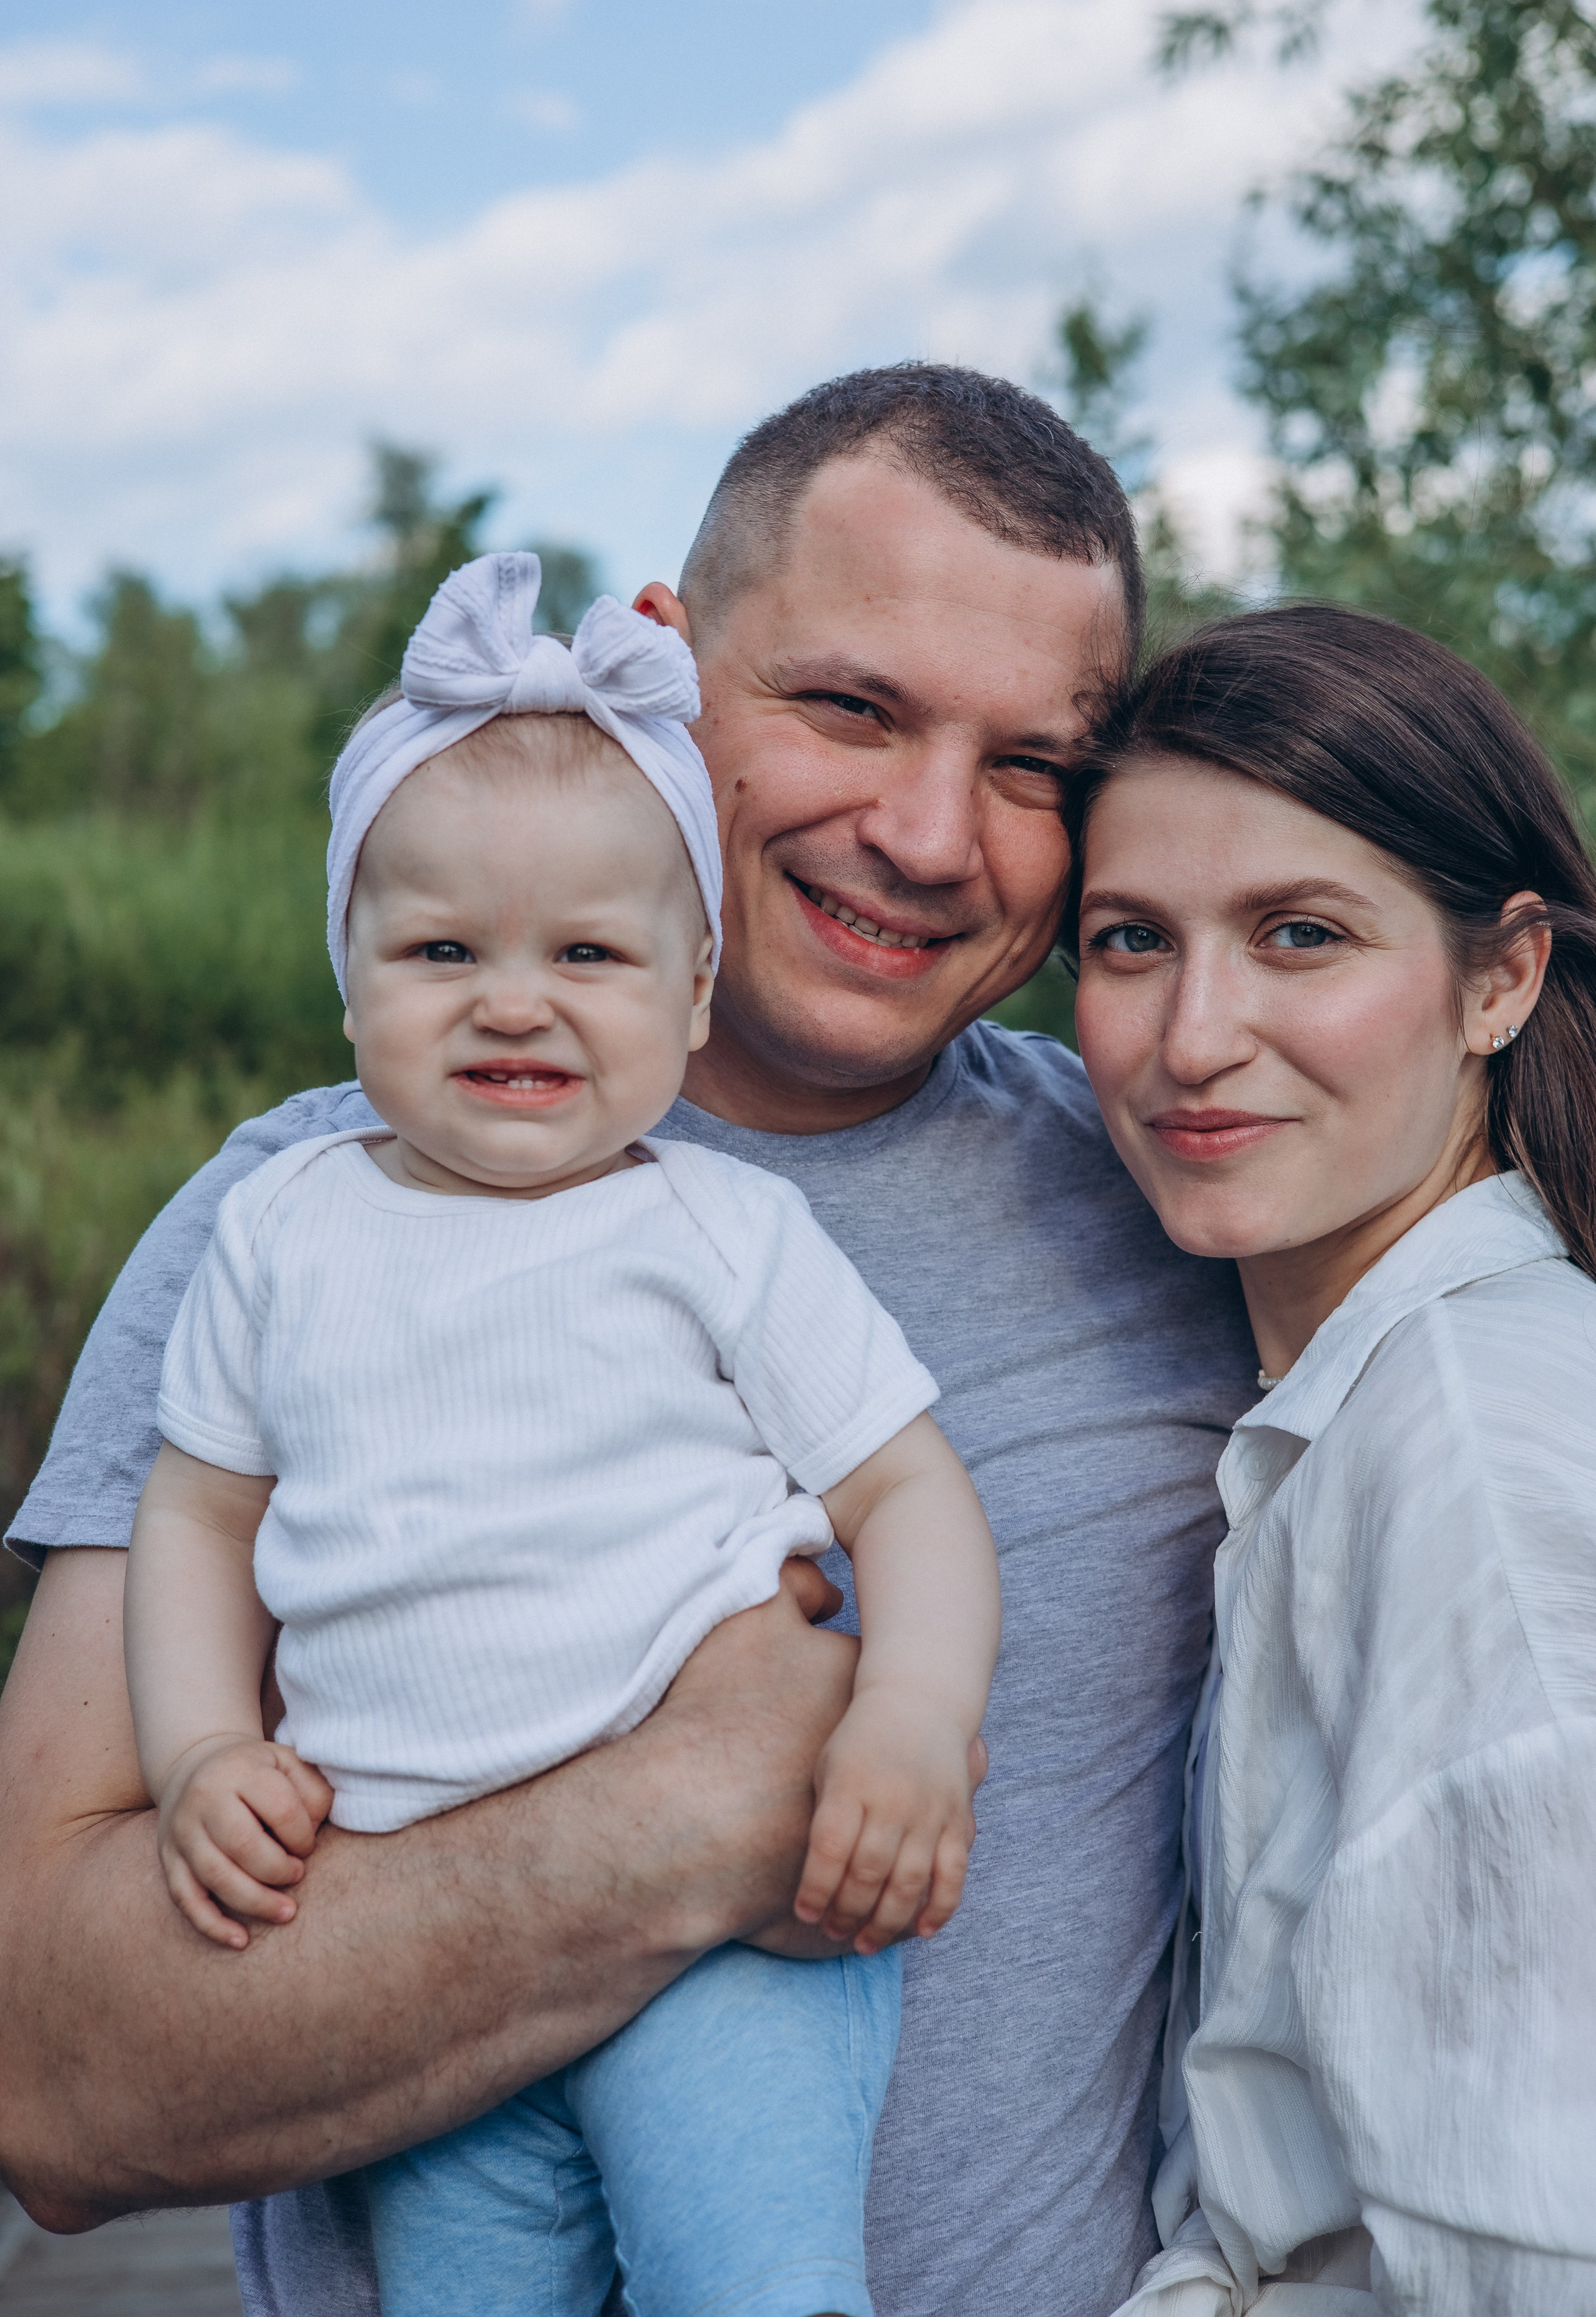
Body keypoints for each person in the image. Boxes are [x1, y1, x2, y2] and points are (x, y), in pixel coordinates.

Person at [0, 365, 1257, 2317]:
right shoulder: (292, 1218)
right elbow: (52, 2090)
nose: (932, 835)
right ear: (665, 672)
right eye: (851, 708)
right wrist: (679, 1816)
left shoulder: (1185, 1195)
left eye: (1033, 766)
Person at [126, 549, 999, 2317]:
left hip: (734, 1958)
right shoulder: (280, 1225)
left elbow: (909, 1490)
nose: (513, 999)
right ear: (349, 979)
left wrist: (912, 1712)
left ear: (692, 993)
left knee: (757, 2287)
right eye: (441, 950)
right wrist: (202, 1748)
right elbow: (198, 1521)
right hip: (412, 1952)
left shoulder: (718, 1231)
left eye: (589, 954)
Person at [1060, 602, 1596, 2313]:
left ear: (1501, 978)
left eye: (1301, 934)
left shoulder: (1481, 1459)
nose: (1194, 1036)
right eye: (1132, 941)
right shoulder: (1349, 1405)